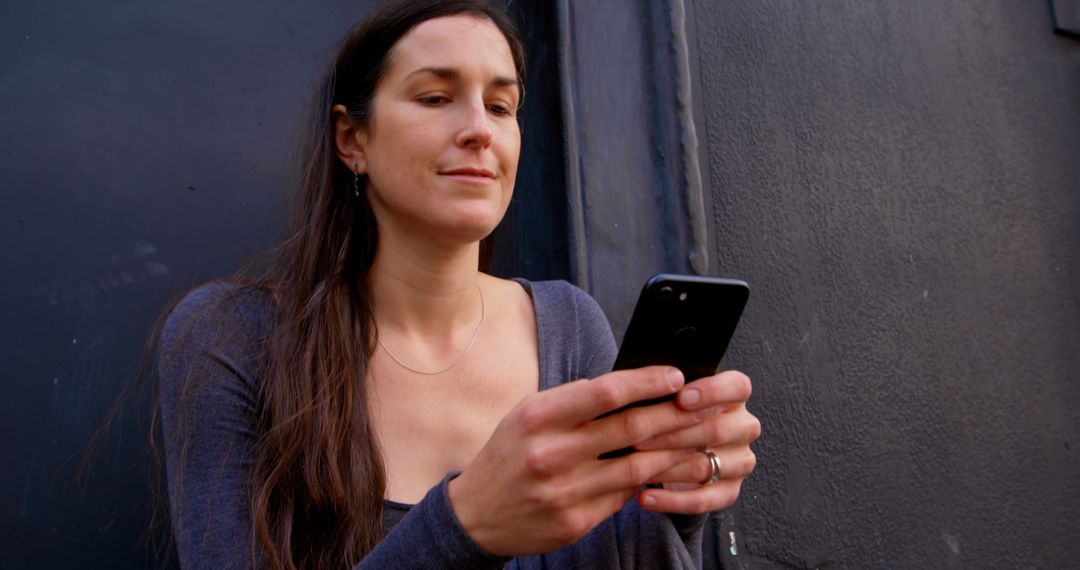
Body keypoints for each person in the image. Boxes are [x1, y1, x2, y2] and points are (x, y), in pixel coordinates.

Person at [157, 1, 761, 568]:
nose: (480, 129)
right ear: (352, 139)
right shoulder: (233, 336)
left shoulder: (570, 325)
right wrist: (464, 524)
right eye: (436, 96)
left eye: (501, 107)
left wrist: (676, 498)